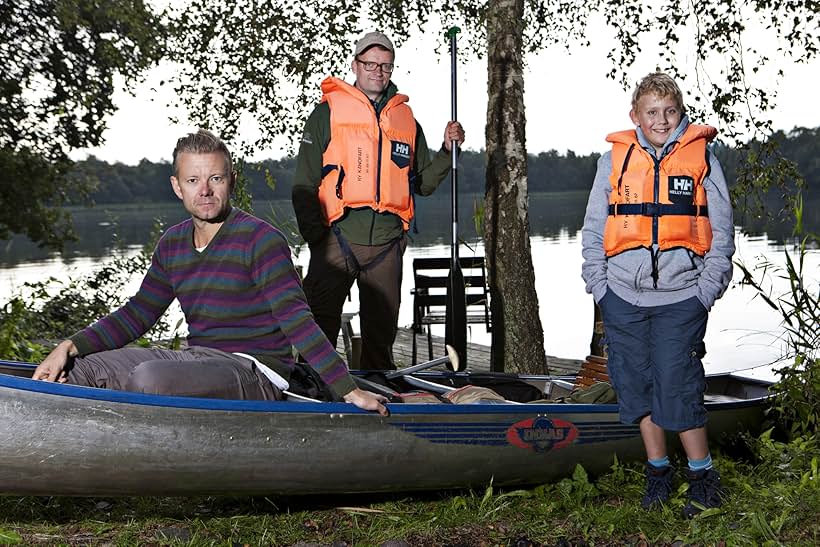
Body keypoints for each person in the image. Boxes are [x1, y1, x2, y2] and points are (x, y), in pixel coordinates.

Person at [33, 129, 388, 416]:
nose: (204, 190)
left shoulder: (261, 240)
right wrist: (69, 346)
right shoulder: (172, 244)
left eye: (215, 178)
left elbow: (298, 321)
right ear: (177, 186)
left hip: (256, 371)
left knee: (149, 378)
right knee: (81, 371)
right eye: (193, 180)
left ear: (230, 180)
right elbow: (137, 315)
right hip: (197, 360)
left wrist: (348, 389)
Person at [580, 72, 735, 517]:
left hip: (682, 296)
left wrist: (707, 289)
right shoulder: (614, 159)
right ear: (636, 116)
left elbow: (721, 229)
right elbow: (593, 226)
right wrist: (599, 284)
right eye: (652, 112)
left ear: (680, 113)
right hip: (622, 296)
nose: (661, 120)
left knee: (678, 385)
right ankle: (658, 473)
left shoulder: (702, 157)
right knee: (637, 387)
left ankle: (703, 477)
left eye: (670, 112)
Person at [292, 31, 465, 371]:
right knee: (320, 326)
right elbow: (303, 185)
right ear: (355, 65)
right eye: (370, 63)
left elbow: (424, 184)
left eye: (385, 65)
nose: (378, 71)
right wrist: (318, 239)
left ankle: (376, 395)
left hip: (387, 243)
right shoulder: (326, 114)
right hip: (337, 239)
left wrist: (447, 151)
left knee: (380, 334)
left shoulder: (406, 121)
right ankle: (312, 390)